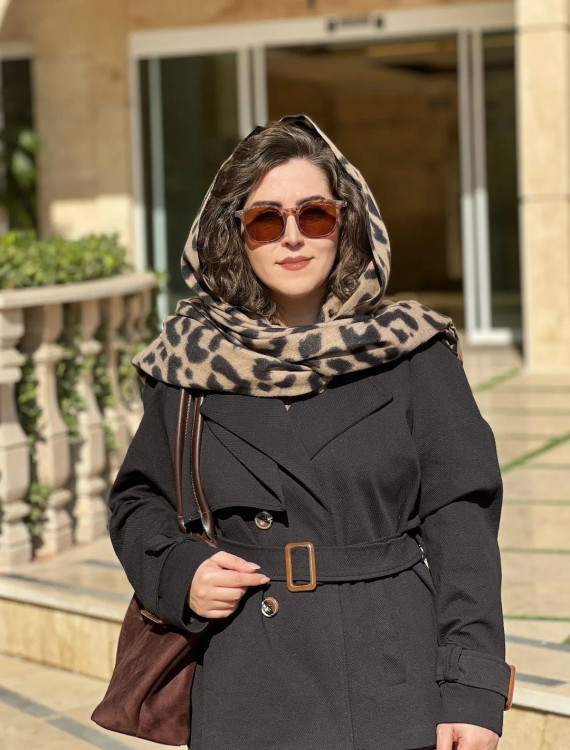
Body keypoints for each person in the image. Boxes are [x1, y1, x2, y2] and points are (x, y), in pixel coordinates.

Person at [108, 113, 514, 750]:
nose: (292, 237)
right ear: (235, 235)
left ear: (345, 223)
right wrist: (181, 572)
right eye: (266, 220)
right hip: (246, 683)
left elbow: (463, 526)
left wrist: (471, 689)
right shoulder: (189, 363)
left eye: (315, 215)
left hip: (393, 687)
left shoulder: (412, 351)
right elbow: (138, 502)